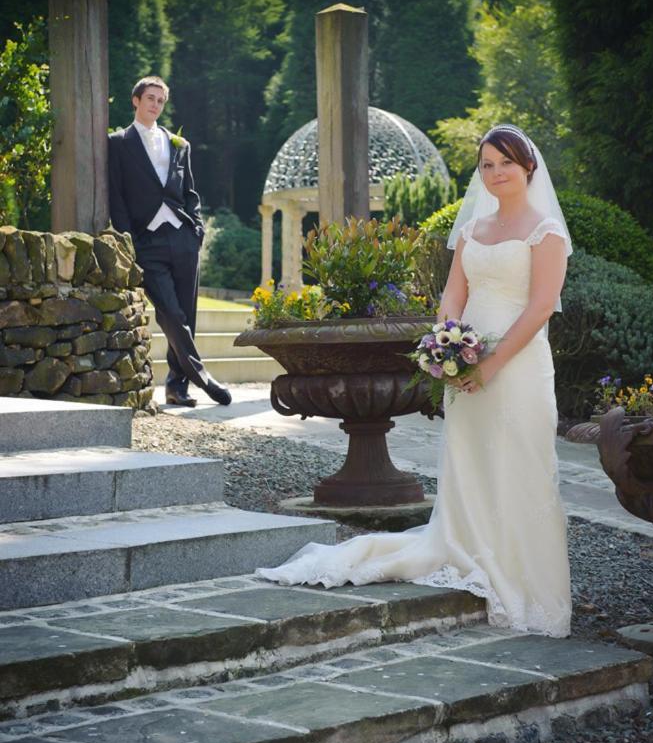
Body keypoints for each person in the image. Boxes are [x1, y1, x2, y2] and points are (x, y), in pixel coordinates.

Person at [257, 125, 572, 638]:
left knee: (521, 461)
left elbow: (540, 308)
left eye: (505, 163)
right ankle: (469, 547)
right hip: (464, 363)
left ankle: (523, 578)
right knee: (470, 460)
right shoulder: (473, 230)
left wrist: (490, 363)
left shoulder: (547, 232)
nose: (495, 173)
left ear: (528, 168)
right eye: (487, 165)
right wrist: (448, 344)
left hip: (518, 366)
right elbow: (453, 292)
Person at [107, 76, 231, 407]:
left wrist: (198, 230)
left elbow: (190, 193)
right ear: (136, 100)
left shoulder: (179, 144)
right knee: (170, 312)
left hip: (183, 236)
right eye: (150, 98)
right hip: (146, 240)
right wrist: (126, 239)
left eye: (161, 100)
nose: (155, 105)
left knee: (186, 314)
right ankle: (202, 377)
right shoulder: (118, 142)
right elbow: (116, 195)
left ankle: (177, 388)